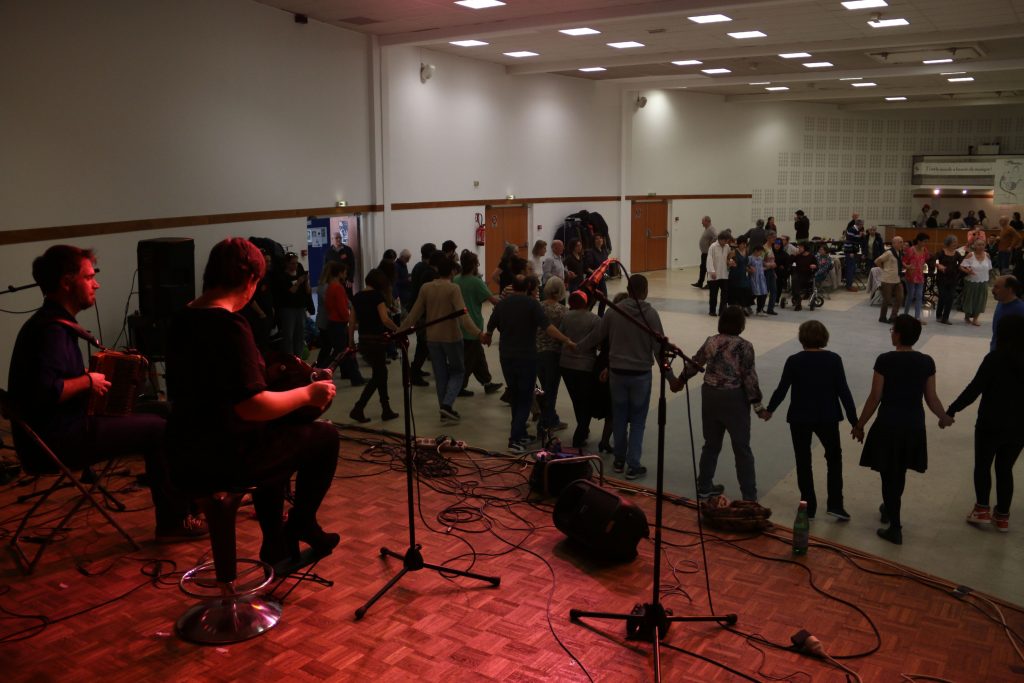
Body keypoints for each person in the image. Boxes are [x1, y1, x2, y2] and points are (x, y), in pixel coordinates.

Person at [8, 245, 202, 542]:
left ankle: (190, 503)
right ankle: (173, 523)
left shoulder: (49, 324)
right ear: (66, 282)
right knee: (159, 430)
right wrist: (88, 381)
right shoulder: (50, 332)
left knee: (165, 411)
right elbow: (44, 393)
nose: (96, 283)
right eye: (89, 277)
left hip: (61, 428)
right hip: (58, 440)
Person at [166, 238, 339, 568]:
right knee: (324, 437)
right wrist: (309, 394)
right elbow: (251, 406)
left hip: (183, 450)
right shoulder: (229, 325)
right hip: (225, 457)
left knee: (278, 435)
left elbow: (213, 384)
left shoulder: (183, 318)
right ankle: (301, 522)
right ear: (249, 280)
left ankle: (276, 546)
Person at [852, 315, 953, 545]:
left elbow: (875, 397)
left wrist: (860, 425)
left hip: (888, 424)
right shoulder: (926, 362)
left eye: (892, 331)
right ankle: (889, 507)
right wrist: (943, 417)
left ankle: (895, 527)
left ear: (897, 334)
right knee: (899, 472)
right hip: (913, 425)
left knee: (889, 475)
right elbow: (931, 397)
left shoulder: (885, 360)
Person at [764, 321, 857, 520]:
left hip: (800, 417)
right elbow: (844, 392)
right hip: (828, 416)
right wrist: (855, 421)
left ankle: (808, 505)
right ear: (824, 337)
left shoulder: (794, 360)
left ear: (801, 338)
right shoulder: (834, 360)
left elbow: (782, 389)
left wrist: (769, 410)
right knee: (834, 458)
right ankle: (835, 504)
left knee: (803, 460)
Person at [576, 275, 664, 480]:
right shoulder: (650, 314)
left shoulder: (613, 312)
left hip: (617, 374)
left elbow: (597, 336)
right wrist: (671, 378)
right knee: (638, 422)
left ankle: (618, 460)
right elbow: (659, 348)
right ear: (645, 291)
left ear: (627, 288)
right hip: (641, 375)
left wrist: (577, 347)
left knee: (620, 417)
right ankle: (633, 465)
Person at [673, 306, 763, 501]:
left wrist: (680, 381)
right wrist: (758, 405)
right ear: (741, 324)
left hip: (710, 395)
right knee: (742, 448)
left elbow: (695, 363)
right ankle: (749, 496)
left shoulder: (711, 341)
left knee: (711, 444)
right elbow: (749, 377)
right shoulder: (745, 346)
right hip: (734, 399)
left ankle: (704, 486)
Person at [947, 315, 1024, 533]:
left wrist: (951, 410)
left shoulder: (995, 359)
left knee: (983, 464)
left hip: (991, 421)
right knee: (1005, 468)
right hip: (1019, 425)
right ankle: (1002, 517)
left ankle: (982, 509)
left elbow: (974, 389)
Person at [486, 275, 575, 452]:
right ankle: (515, 439)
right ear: (528, 288)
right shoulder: (531, 304)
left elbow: (490, 326)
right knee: (525, 398)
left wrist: (487, 337)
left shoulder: (502, 304)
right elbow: (548, 327)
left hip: (506, 357)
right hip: (525, 357)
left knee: (515, 395)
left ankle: (520, 434)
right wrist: (567, 340)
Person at [399, 252, 488, 423]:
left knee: (440, 375)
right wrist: (479, 334)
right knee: (458, 371)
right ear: (453, 272)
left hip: (432, 337)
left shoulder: (426, 288)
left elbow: (413, 315)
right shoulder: (453, 288)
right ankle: (447, 405)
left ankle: (444, 412)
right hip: (451, 337)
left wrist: (399, 331)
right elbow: (463, 316)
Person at [349, 268, 400, 423]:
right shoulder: (378, 297)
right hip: (376, 341)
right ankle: (358, 408)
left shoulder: (357, 297)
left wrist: (350, 341)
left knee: (381, 374)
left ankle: (386, 409)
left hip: (364, 340)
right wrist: (399, 329)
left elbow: (352, 322)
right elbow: (384, 319)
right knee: (379, 375)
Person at [454, 251, 503, 396]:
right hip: (473, 325)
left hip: (459, 325)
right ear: (474, 265)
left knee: (477, 356)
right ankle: (459, 387)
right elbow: (493, 300)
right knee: (469, 359)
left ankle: (487, 383)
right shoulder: (476, 282)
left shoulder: (456, 280)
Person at [559, 290, 601, 448]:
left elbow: (561, 334)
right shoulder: (595, 320)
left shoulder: (566, 316)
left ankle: (583, 429)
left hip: (566, 365)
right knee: (587, 402)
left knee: (577, 400)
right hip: (585, 366)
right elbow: (598, 342)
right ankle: (580, 434)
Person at [322, 260, 365, 385]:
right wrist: (350, 322)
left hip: (333, 323)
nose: (346, 275)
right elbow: (342, 309)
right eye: (345, 272)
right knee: (342, 353)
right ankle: (319, 372)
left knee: (341, 352)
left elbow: (330, 306)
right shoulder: (338, 288)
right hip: (339, 324)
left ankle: (353, 376)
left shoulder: (330, 286)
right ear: (340, 273)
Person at [536, 277, 569, 439]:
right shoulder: (563, 311)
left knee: (543, 388)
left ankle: (552, 418)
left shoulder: (538, 306)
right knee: (551, 391)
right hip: (553, 354)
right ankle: (544, 423)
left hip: (536, 352)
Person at [409, 243, 438, 385]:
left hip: (418, 309)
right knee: (423, 344)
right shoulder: (427, 271)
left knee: (423, 343)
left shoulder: (418, 267)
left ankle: (416, 369)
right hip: (422, 312)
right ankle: (414, 373)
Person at [273, 252, 312, 356]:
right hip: (288, 309)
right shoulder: (282, 275)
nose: (295, 265)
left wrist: (307, 281)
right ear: (286, 263)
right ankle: (289, 357)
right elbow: (290, 292)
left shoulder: (300, 269)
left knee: (300, 334)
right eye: (292, 263)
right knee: (288, 335)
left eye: (296, 262)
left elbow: (308, 291)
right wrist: (298, 282)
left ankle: (298, 357)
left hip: (301, 307)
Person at [960, 238, 993, 327]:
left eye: (982, 245)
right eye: (978, 245)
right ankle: (967, 316)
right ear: (974, 246)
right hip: (971, 281)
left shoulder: (987, 255)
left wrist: (989, 279)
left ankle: (975, 319)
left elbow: (990, 268)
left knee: (981, 300)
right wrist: (968, 271)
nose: (981, 247)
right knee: (970, 299)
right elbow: (962, 266)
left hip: (983, 281)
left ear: (985, 246)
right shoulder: (970, 255)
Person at [932, 235, 962, 325]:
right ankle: (938, 315)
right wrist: (938, 265)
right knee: (943, 297)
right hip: (942, 278)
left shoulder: (957, 254)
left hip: (953, 278)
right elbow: (933, 260)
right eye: (953, 242)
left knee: (950, 298)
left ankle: (945, 318)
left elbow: (961, 263)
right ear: (948, 243)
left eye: (956, 242)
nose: (955, 244)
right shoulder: (941, 252)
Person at [875, 236, 904, 324]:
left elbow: (899, 263)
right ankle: (882, 317)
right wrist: (884, 268)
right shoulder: (889, 253)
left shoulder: (899, 252)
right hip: (887, 279)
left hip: (897, 279)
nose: (902, 244)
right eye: (900, 242)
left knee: (900, 298)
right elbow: (877, 261)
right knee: (887, 300)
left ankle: (893, 317)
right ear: (894, 243)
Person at [990, 275, 1024, 350]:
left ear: (1009, 289)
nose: (993, 290)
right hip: (996, 350)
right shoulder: (1000, 303)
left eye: (997, 287)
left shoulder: (1020, 309)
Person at [902, 232, 930, 323]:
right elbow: (903, 261)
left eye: (926, 242)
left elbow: (925, 259)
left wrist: (923, 266)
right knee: (910, 295)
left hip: (920, 275)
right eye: (924, 242)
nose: (925, 244)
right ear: (918, 241)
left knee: (919, 296)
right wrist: (907, 266)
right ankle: (905, 315)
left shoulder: (925, 250)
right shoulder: (911, 250)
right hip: (911, 276)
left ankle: (917, 317)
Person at [584, 233, 610, 316]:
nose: (599, 240)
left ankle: (600, 316)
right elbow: (587, 267)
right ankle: (586, 316)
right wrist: (596, 273)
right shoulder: (590, 252)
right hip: (593, 280)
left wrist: (605, 273)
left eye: (601, 238)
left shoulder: (604, 251)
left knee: (604, 298)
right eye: (597, 239)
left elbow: (606, 265)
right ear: (594, 241)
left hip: (601, 280)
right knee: (592, 301)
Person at [707, 230, 732, 317]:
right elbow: (709, 260)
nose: (726, 242)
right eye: (725, 240)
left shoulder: (727, 247)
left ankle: (722, 311)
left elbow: (729, 257)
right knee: (713, 295)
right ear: (720, 239)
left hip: (724, 275)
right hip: (714, 275)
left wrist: (730, 262)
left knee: (725, 295)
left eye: (727, 241)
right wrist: (712, 271)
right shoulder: (713, 247)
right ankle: (712, 311)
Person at [727, 235, 753, 316]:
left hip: (743, 274)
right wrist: (730, 263)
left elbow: (746, 263)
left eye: (745, 244)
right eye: (742, 243)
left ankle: (743, 307)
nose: (744, 245)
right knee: (736, 291)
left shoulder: (746, 251)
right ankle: (736, 308)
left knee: (745, 290)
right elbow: (728, 261)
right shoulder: (733, 252)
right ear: (738, 244)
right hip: (735, 274)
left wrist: (749, 268)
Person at [790, 241, 817, 312]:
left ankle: (798, 301)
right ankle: (798, 301)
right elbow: (792, 263)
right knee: (794, 279)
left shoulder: (811, 257)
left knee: (796, 281)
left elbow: (816, 266)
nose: (799, 249)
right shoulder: (798, 256)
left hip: (807, 275)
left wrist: (814, 266)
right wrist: (794, 256)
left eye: (800, 247)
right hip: (798, 274)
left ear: (805, 248)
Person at [692, 216, 717, 289]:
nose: (702, 223)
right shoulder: (707, 229)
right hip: (704, 252)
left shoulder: (711, 229)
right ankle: (700, 283)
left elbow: (716, 236)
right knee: (703, 267)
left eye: (703, 221)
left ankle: (709, 284)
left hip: (708, 253)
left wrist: (711, 243)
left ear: (707, 221)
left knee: (708, 268)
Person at [843, 215, 863, 291]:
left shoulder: (855, 230)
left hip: (852, 251)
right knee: (850, 269)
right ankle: (849, 286)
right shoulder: (852, 230)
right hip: (850, 252)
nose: (862, 227)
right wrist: (860, 236)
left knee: (852, 268)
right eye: (862, 225)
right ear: (859, 224)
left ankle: (849, 284)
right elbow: (850, 241)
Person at [749, 244, 769, 315]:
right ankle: (747, 306)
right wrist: (750, 269)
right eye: (760, 251)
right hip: (754, 278)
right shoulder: (750, 258)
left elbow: (761, 267)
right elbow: (747, 267)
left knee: (763, 294)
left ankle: (760, 309)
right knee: (754, 294)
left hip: (761, 278)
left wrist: (767, 267)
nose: (761, 253)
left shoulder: (760, 258)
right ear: (755, 251)